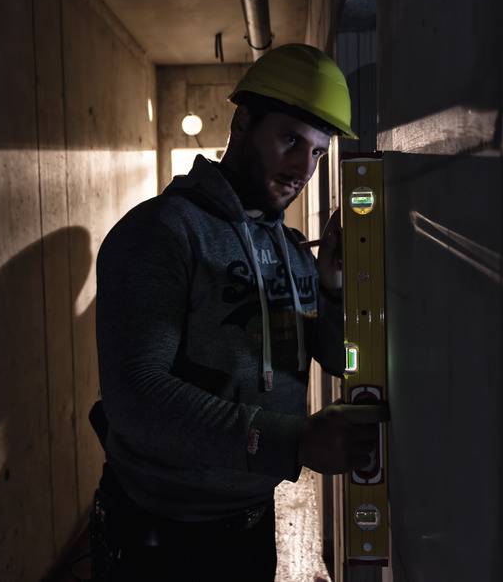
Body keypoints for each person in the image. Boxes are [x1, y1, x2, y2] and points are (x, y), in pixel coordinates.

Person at [89, 44, 390, 581]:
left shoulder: (295, 250)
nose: (304, 168)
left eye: (318, 152)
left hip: (247, 522)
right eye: (291, 140)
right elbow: (136, 394)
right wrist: (292, 440)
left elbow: (341, 358)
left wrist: (336, 284)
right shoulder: (161, 233)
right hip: (159, 533)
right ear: (243, 123)